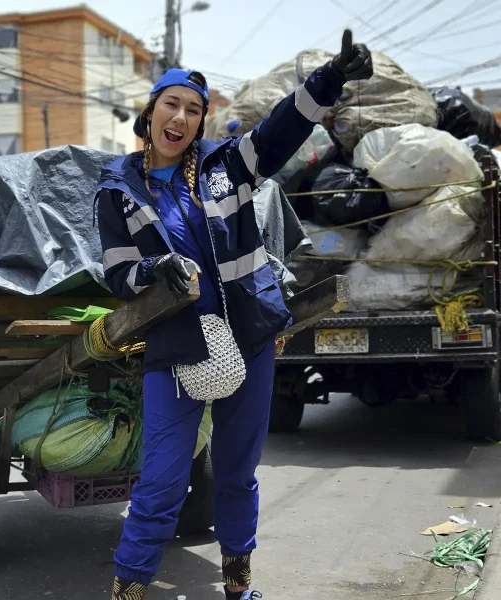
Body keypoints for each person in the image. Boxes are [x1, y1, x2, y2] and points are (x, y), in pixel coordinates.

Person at [95, 30, 373, 600]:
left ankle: (238, 584)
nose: (181, 118)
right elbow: (118, 272)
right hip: (175, 347)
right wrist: (153, 272)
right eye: (171, 105)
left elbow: (280, 129)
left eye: (194, 110)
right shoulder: (118, 190)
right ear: (149, 115)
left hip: (248, 336)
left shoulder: (230, 164)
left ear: (200, 123)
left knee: (237, 471)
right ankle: (128, 589)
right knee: (162, 480)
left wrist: (329, 77)